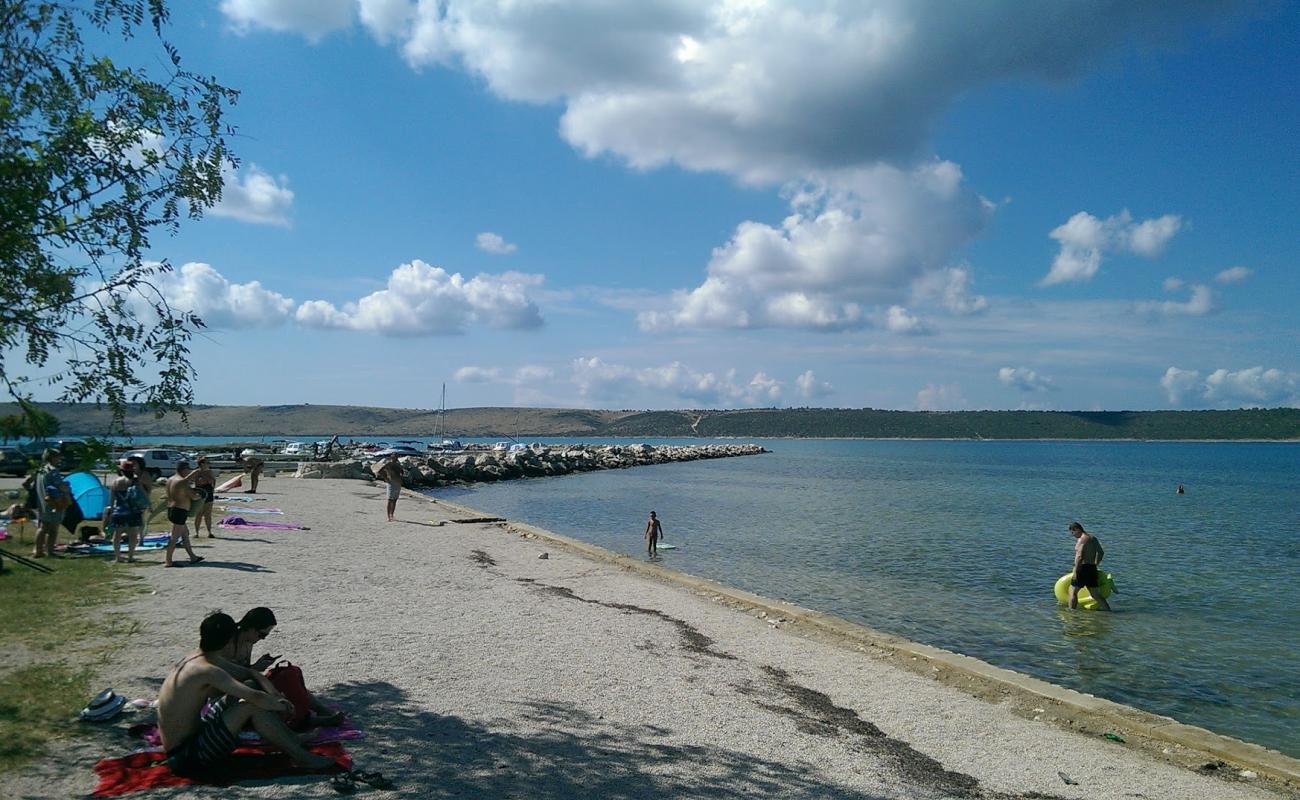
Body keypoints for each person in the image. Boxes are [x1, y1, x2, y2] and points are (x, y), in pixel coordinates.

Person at [157, 612, 336, 776]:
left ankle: (292, 739)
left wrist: (276, 696)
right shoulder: (208, 670)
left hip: (188, 740)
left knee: (249, 693)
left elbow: (251, 674)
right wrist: (283, 705)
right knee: (250, 707)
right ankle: (301, 756)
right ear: (228, 641)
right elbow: (254, 697)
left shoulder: (197, 657)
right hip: (185, 756)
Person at [235, 607, 345, 728]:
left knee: (290, 673)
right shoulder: (232, 643)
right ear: (251, 628)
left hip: (247, 681)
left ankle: (316, 710)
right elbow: (230, 674)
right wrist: (255, 668)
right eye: (261, 635)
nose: (263, 639)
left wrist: (257, 666)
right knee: (284, 678)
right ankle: (303, 719)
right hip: (236, 688)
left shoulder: (248, 641)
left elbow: (245, 668)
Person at [104, 460, 145, 563]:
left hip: (119, 511)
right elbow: (141, 495)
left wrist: (111, 511)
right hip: (133, 511)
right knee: (133, 535)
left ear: (121, 471)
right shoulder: (135, 481)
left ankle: (118, 557)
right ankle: (130, 556)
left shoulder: (116, 482)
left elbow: (112, 499)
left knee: (117, 535)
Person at [164, 462, 204, 567]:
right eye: (188, 469)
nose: (189, 472)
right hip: (180, 511)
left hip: (172, 509)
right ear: (184, 470)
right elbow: (193, 496)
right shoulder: (182, 482)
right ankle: (168, 561)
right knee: (174, 537)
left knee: (185, 534)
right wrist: (199, 496)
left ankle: (192, 557)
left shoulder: (170, 479)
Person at [33, 449, 70, 558]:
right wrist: (67, 490)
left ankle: (38, 550)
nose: (59, 459)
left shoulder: (41, 470)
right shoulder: (53, 471)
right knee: (53, 528)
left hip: (42, 501)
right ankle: (50, 550)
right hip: (54, 502)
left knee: (42, 527)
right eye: (58, 456)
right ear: (53, 457)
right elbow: (61, 486)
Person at [1068, 521, 1110, 611]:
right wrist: (1096, 564)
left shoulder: (1082, 540)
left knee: (1072, 592)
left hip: (1082, 568)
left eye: (1072, 532)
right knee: (1095, 594)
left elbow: (1080, 556)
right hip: (1092, 568)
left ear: (1077, 529)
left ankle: (1071, 614)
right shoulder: (1093, 538)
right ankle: (1109, 612)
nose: (1073, 535)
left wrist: (1076, 571)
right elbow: (1101, 553)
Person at [190, 456, 217, 538]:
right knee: (199, 514)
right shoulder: (196, 472)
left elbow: (214, 481)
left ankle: (209, 532)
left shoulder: (209, 472)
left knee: (208, 514)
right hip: (199, 493)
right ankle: (196, 532)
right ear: (201, 464)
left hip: (208, 492)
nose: (208, 464)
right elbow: (188, 479)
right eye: (206, 462)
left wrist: (212, 488)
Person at [377, 454, 402, 522]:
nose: (395, 458)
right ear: (391, 458)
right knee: (390, 499)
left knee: (395, 500)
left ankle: (392, 515)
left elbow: (401, 472)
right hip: (391, 483)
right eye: (394, 457)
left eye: (396, 457)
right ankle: (388, 516)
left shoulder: (398, 464)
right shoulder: (388, 464)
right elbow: (380, 471)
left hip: (398, 483)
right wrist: (385, 478)